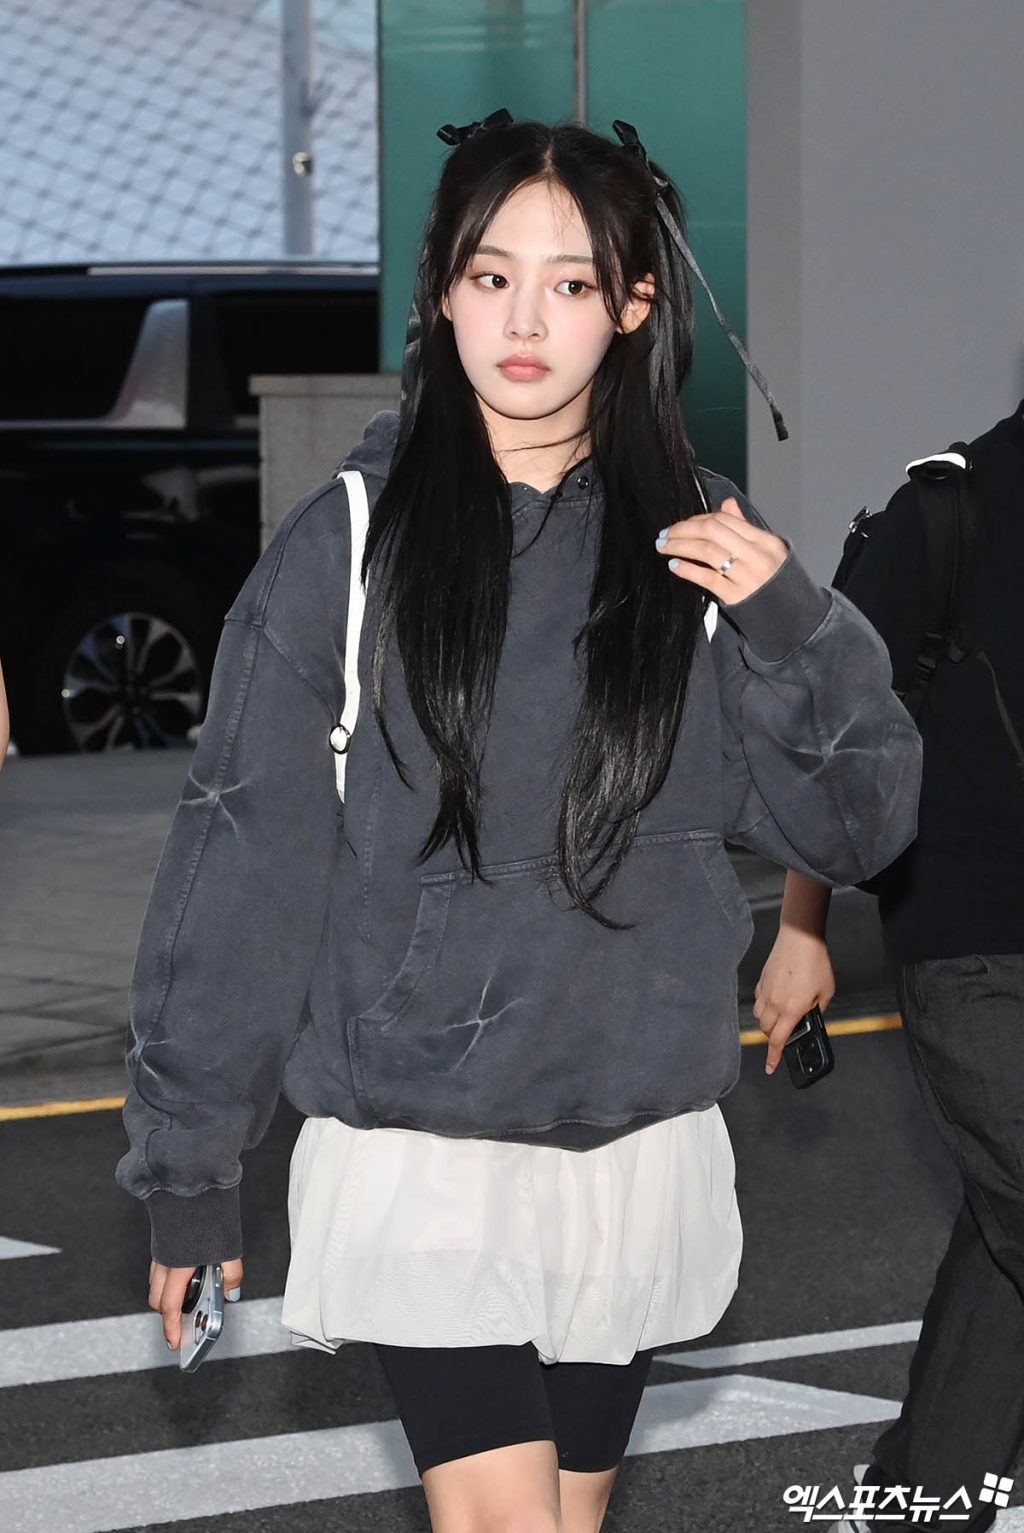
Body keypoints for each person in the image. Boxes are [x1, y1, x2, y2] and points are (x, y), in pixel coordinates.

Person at [117, 115, 921, 1532]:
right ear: (443, 291)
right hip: (423, 1143)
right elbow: (238, 865)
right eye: (492, 278)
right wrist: (189, 1171)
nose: (526, 321)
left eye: (571, 283)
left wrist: (794, 622)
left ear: (634, 305)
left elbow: (859, 831)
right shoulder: (349, 544)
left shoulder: (703, 546)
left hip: (634, 1144)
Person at [756, 402, 1024, 1533]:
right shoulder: (947, 508)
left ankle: (921, 1505)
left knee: (1005, 1250)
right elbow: (831, 736)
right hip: (975, 947)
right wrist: (802, 927)